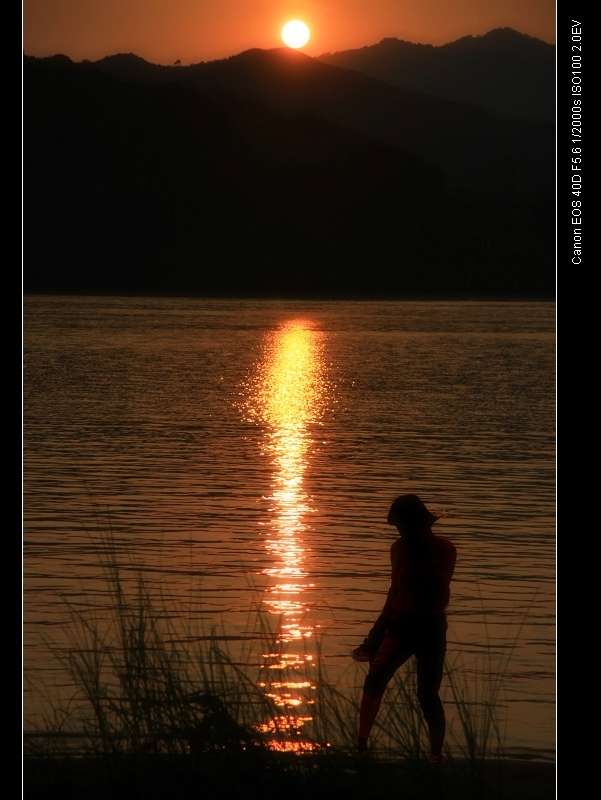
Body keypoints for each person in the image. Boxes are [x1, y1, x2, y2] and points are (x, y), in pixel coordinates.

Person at [352, 494, 456, 763]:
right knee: (375, 677)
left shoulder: (445, 549)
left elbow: (440, 590)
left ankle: (436, 755)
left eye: (403, 527)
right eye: (398, 529)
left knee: (426, 694)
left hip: (431, 629)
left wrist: (425, 554)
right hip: (400, 625)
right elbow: (394, 593)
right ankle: (361, 747)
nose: (400, 533)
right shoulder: (398, 549)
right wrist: (374, 635)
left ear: (419, 525)